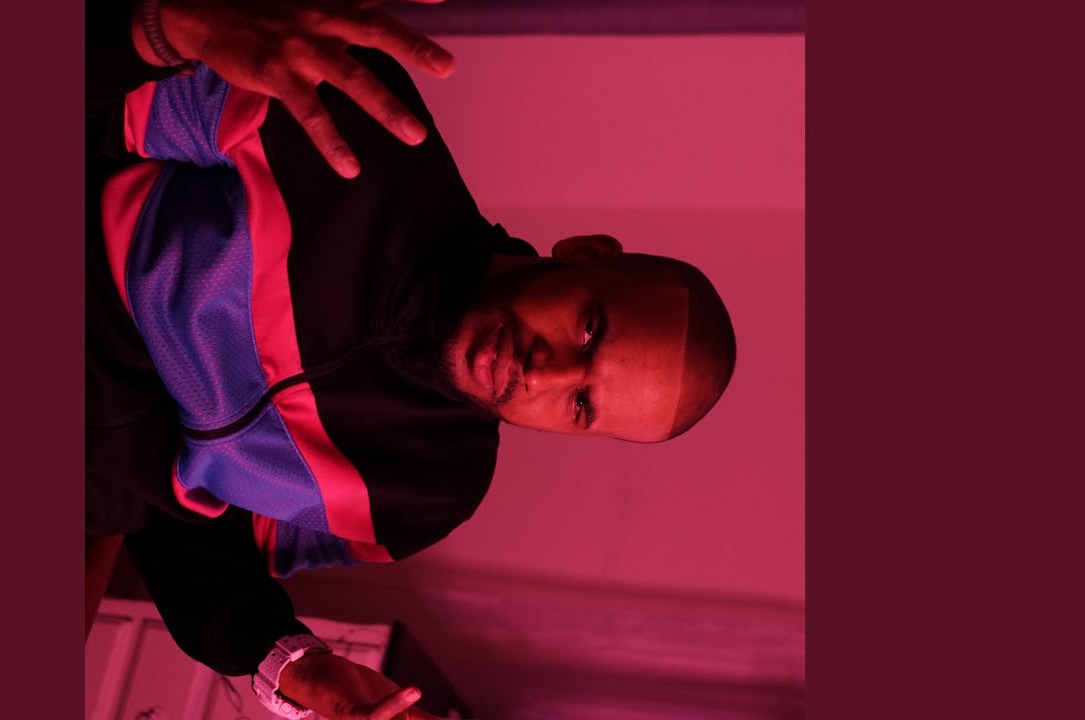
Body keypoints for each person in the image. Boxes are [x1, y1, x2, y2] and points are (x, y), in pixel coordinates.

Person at [86, 1, 737, 718]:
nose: (542, 373)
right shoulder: (357, 116)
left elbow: (192, 540)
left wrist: (294, 666)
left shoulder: (426, 496)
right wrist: (160, 27)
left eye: (581, 404)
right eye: (589, 330)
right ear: (587, 253)